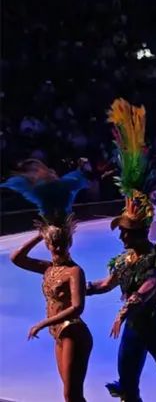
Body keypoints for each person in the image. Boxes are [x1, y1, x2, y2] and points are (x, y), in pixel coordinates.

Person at [87, 98, 156, 401]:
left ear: (138, 233)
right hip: (134, 328)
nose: (121, 236)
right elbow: (107, 283)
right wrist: (82, 288)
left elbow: (146, 290)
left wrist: (123, 311)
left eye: (125, 232)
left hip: (155, 325)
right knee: (127, 383)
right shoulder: (124, 259)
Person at [3, 160, 92, 402]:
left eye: (60, 244)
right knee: (70, 395)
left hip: (72, 331)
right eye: (53, 244)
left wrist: (43, 323)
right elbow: (16, 258)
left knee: (71, 395)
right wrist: (40, 233)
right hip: (58, 333)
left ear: (67, 244)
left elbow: (77, 307)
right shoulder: (48, 268)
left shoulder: (74, 271)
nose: (56, 248)